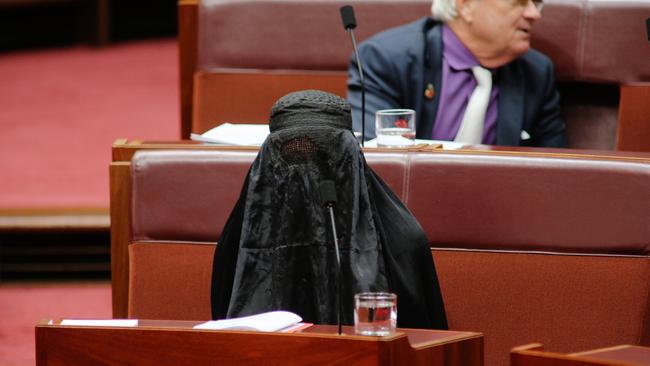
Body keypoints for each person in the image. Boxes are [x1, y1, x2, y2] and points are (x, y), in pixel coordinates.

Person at [211, 90, 448, 330]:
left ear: (352, 156)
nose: (307, 174)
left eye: (325, 157)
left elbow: (424, 342)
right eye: (292, 155)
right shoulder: (237, 241)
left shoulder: (402, 243)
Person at [347, 0, 567, 147]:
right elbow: (374, 157)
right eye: (519, 1)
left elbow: (554, 169)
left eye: (536, 2)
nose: (534, 13)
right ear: (466, 5)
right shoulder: (388, 59)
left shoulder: (536, 73)